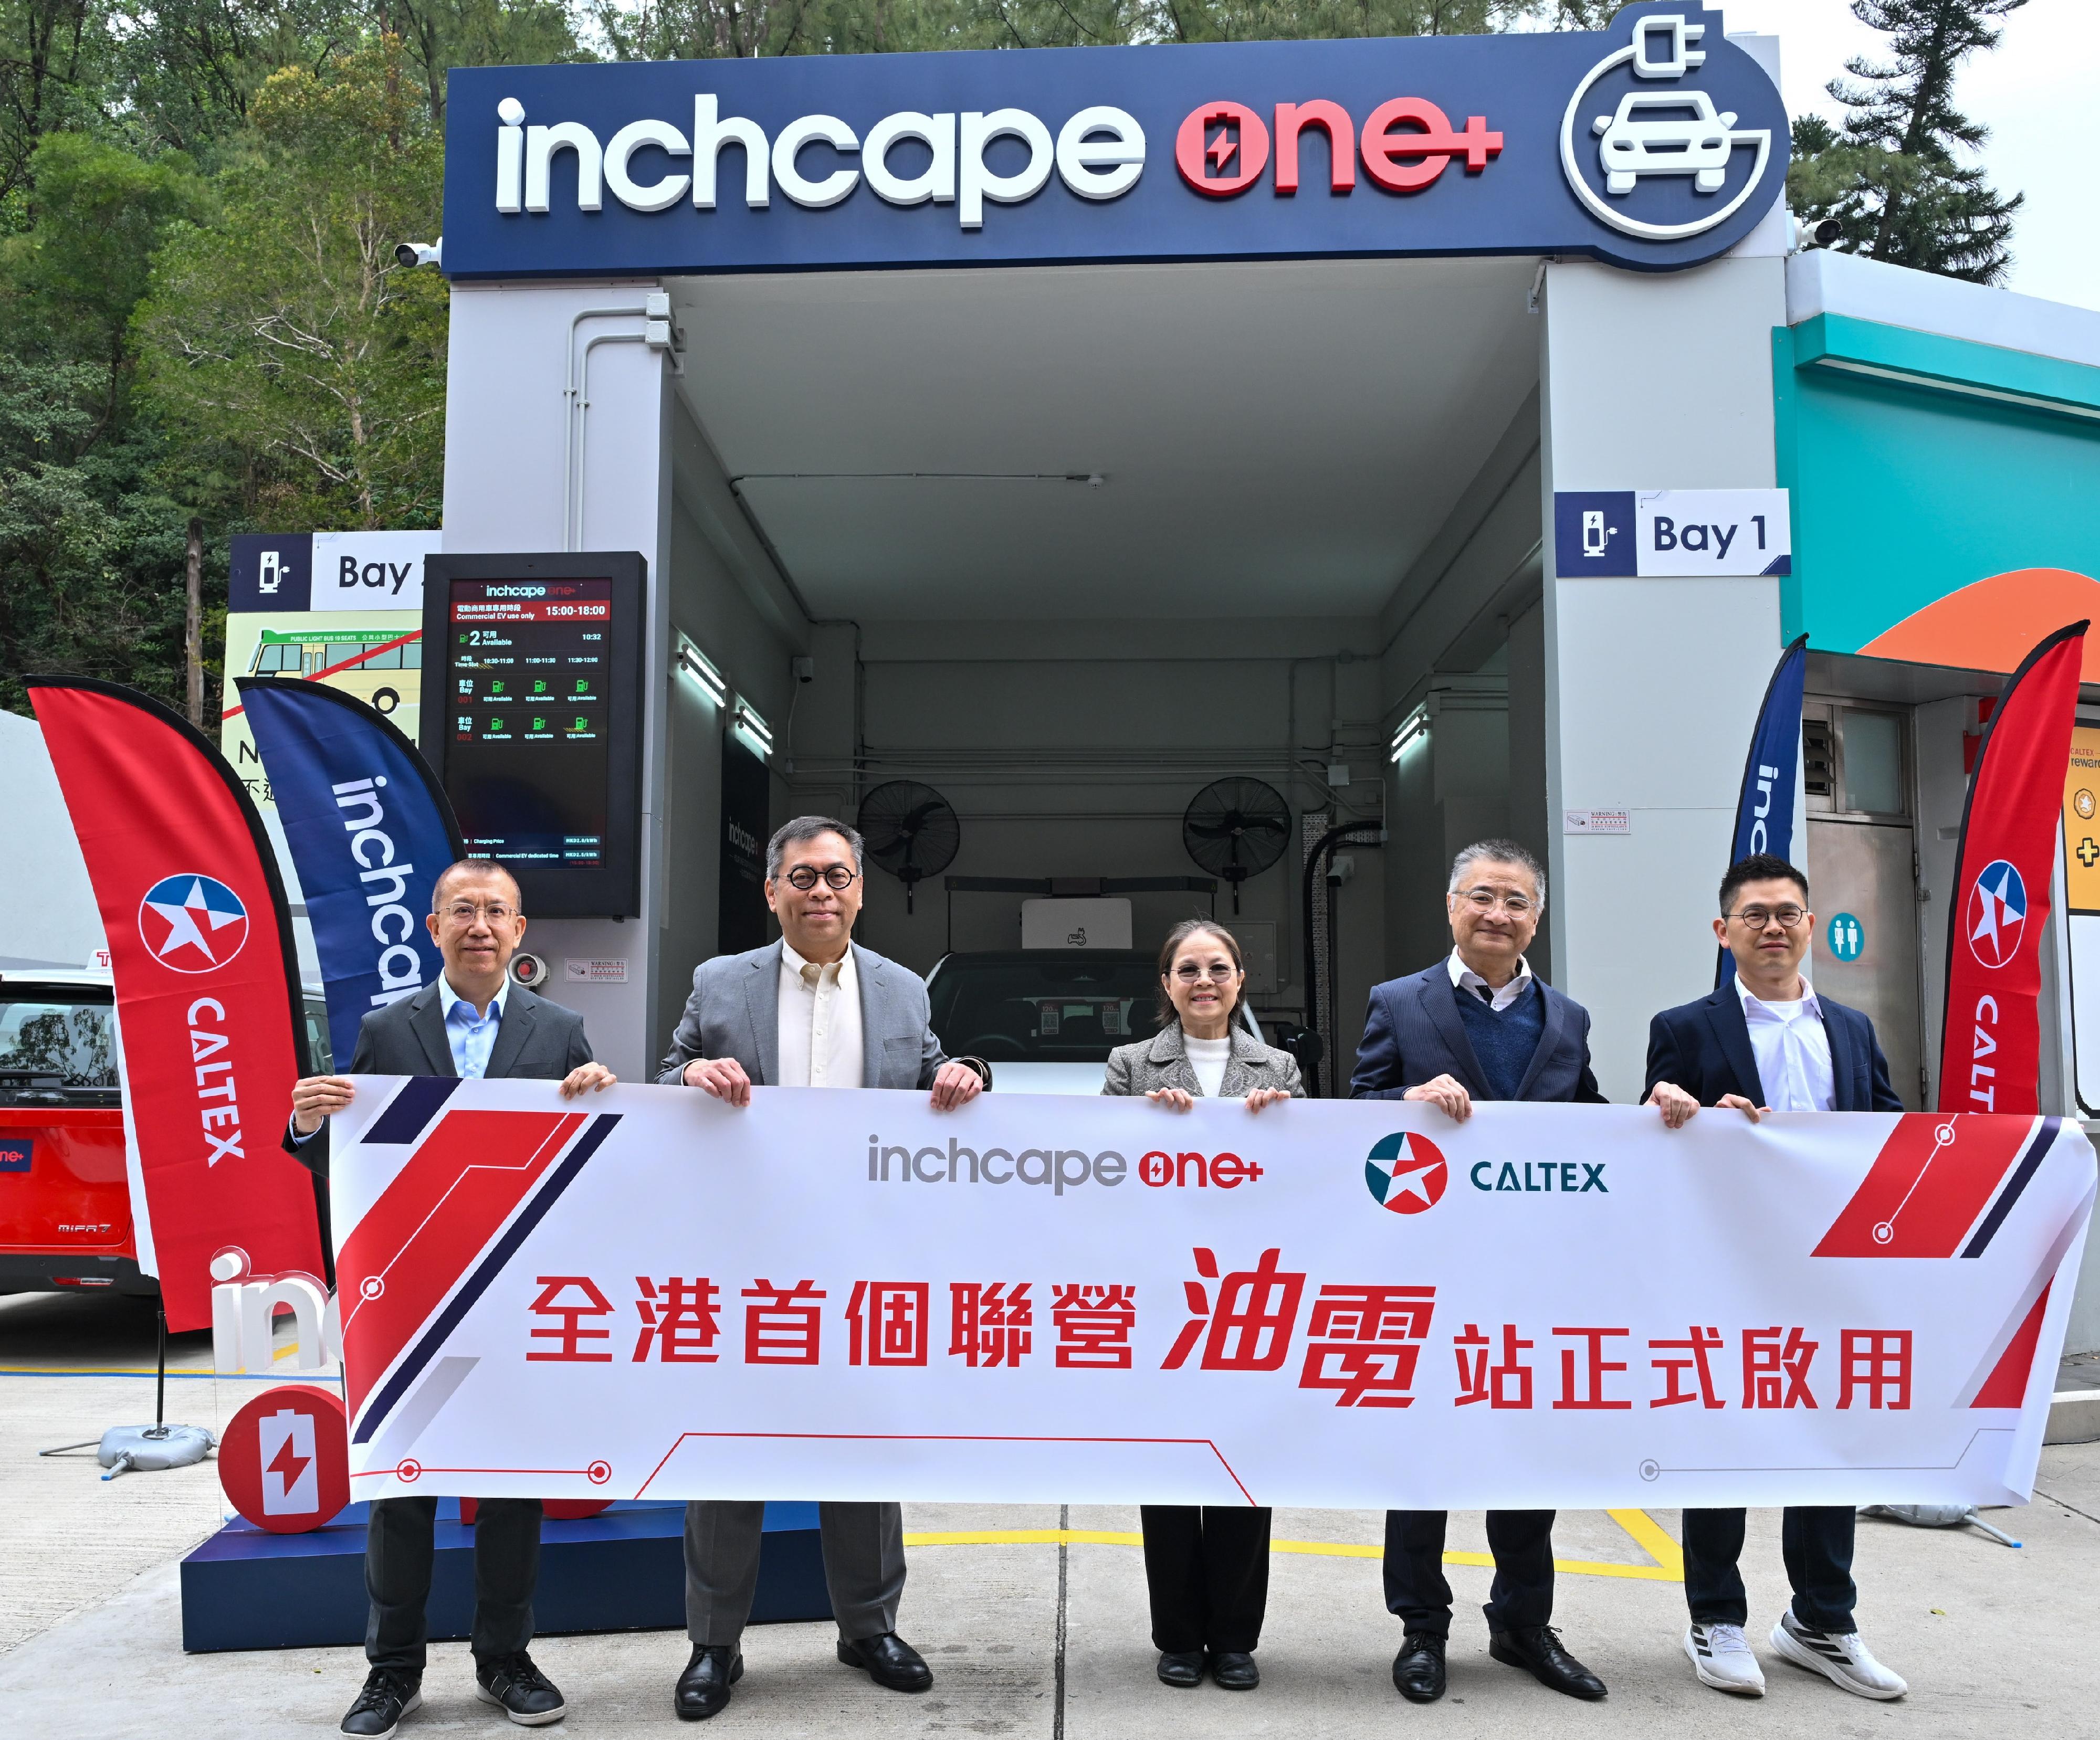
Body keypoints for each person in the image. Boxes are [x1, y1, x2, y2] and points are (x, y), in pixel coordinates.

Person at [657, 815, 989, 1722]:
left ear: (860, 890)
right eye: (801, 877)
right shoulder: (720, 983)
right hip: (744, 1260)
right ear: (772, 892)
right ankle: (714, 1644)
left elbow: (931, 1073)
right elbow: (670, 1068)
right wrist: (688, 1078)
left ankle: (868, 1626)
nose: (821, 893)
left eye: (837, 876)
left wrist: (963, 1071)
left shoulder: (900, 990)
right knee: (729, 1453)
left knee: (864, 1448)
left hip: (863, 1260)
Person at [284, 859, 616, 1739]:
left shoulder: (564, 1029)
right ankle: (391, 1673)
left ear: (520, 930)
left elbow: (600, 1164)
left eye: (495, 911)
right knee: (402, 1491)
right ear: (432, 928)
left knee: (513, 1487)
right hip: (412, 1299)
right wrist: (310, 1125)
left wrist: (603, 1101)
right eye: (462, 910)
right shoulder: (388, 1030)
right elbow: (351, 1167)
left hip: (516, 1295)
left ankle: (505, 1660)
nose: (480, 925)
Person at [1643, 852, 1908, 1703]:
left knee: (1827, 1445)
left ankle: (1821, 1621)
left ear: (1810, 926)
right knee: (1722, 1435)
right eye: (1754, 915)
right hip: (1727, 1271)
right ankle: (1714, 1616)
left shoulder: (1855, 1031)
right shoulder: (1685, 1026)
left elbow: (1888, 1135)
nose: (1772, 928)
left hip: (1830, 1274)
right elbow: (1654, 1125)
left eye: (1788, 913)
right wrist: (1680, 1111)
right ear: (1723, 933)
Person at [1349, 839, 1607, 1706]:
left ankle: (1524, 1624)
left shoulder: (1567, 1019)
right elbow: (1352, 1113)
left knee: (1528, 1452)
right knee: (1425, 1451)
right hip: (1428, 1270)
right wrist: (1404, 1103)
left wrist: (1663, 1113)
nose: (1499, 914)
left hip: (1535, 1274)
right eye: (1483, 896)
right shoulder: (1399, 1002)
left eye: (1518, 902)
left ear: (1538, 917)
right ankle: (1422, 1627)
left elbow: (1593, 1125)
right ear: (1451, 904)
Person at [1101, 919, 1303, 1693]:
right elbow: (1104, 1176)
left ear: (1241, 979)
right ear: (1167, 985)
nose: (1205, 981)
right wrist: (1144, 1131)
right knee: (1174, 1467)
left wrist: (1276, 1131)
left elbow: (1304, 1181)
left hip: (1251, 1297)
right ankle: (1178, 1636)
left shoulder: (1277, 1068)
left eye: (1219, 968)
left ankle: (1237, 1637)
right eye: (1188, 969)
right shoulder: (1129, 1066)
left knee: (1244, 1469)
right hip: (1162, 1297)